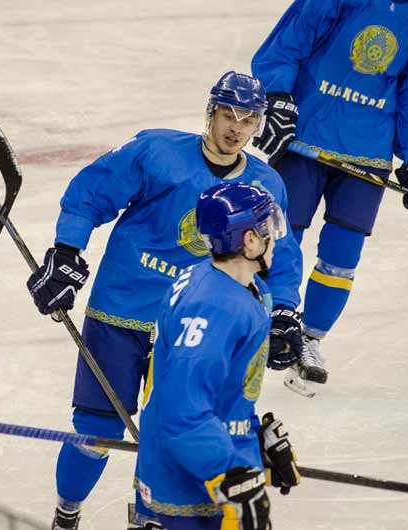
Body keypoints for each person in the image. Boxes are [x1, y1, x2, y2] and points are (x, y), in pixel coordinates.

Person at [25, 71, 304, 530]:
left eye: (249, 120)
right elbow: (90, 192)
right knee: (98, 432)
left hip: (194, 322)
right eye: (228, 115)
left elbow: (283, 251)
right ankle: (66, 512)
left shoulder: (265, 184)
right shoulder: (158, 151)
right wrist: (66, 250)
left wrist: (284, 312)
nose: (236, 128)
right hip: (123, 309)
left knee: (174, 428)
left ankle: (152, 515)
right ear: (210, 112)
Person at [251, 0, 408, 396]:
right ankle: (263, 327)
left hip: (368, 152)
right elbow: (288, 44)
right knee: (276, 240)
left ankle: (309, 341)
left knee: (342, 258)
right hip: (306, 138)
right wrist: (277, 95)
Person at [134, 182, 301, 530]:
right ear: (250, 241)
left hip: (205, 459)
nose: (275, 236)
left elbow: (217, 391)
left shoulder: (219, 281)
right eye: (267, 227)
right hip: (195, 482)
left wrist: (250, 436)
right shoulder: (214, 308)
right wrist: (228, 472)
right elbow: (182, 411)